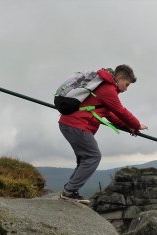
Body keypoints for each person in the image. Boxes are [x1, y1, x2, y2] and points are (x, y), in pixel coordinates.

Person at [58, 65, 148, 203]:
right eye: (126, 84)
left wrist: (129, 126)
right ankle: (69, 192)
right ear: (119, 78)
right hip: (77, 125)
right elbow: (120, 111)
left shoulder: (103, 88)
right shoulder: (107, 89)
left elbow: (111, 115)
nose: (126, 89)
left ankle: (70, 190)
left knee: (85, 159)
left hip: (71, 124)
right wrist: (136, 124)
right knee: (93, 156)